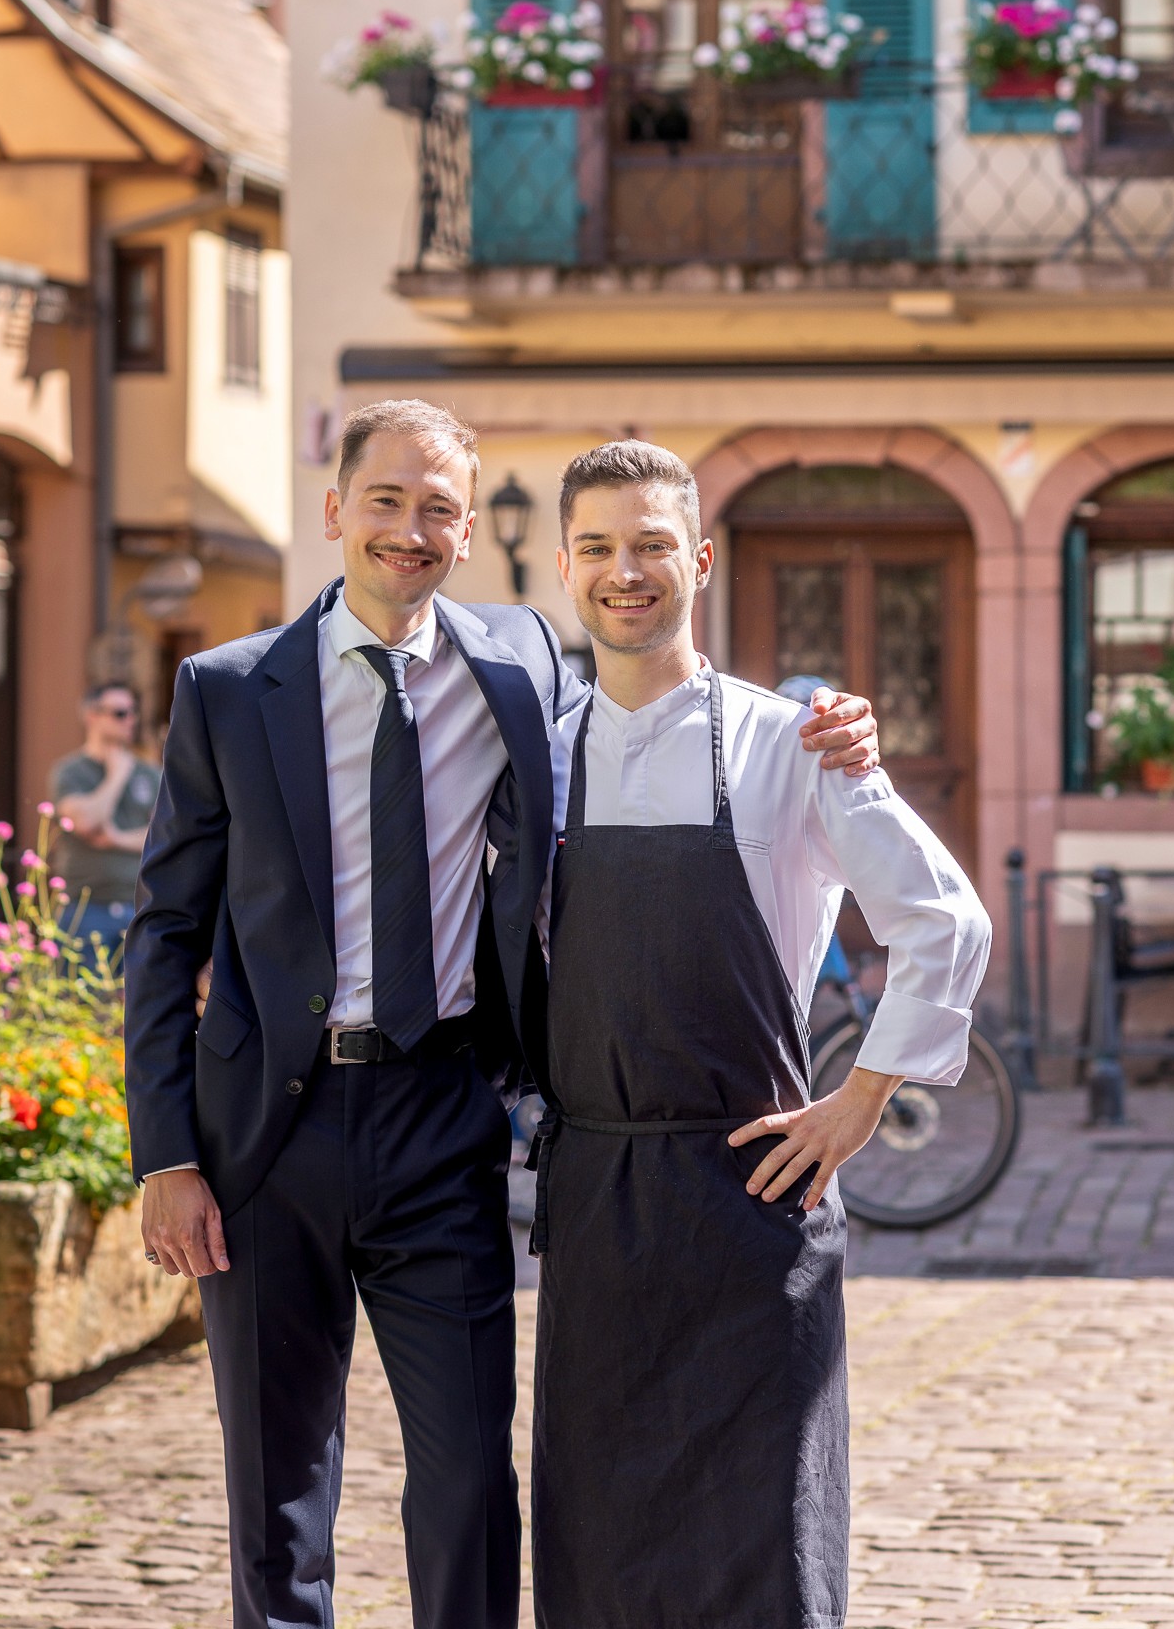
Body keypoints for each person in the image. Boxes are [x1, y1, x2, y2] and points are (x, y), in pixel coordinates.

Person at [123, 397, 881, 1629]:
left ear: (470, 530)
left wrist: (832, 722)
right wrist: (166, 1153)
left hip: (441, 1116)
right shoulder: (227, 688)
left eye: (438, 507)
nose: (410, 529)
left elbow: (662, 710)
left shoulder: (519, 665)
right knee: (277, 1492)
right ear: (336, 508)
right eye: (386, 499)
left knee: (473, 1476)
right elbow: (164, 931)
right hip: (264, 1132)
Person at [530, 440, 992, 1629]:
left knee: (765, 1552)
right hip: (596, 1202)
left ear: (699, 560)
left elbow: (944, 920)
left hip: (756, 1200)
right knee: (600, 1549)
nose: (625, 571)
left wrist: (861, 1100)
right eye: (597, 547)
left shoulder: (794, 741)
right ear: (564, 566)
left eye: (650, 544)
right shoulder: (538, 754)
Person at [49, 682, 159, 952]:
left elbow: (164, 834)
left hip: (141, 907)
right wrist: (116, 776)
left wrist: (116, 838)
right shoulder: (71, 772)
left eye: (133, 712)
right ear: (92, 715)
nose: (130, 719)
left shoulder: (150, 773)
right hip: (85, 909)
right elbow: (86, 822)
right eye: (120, 713)